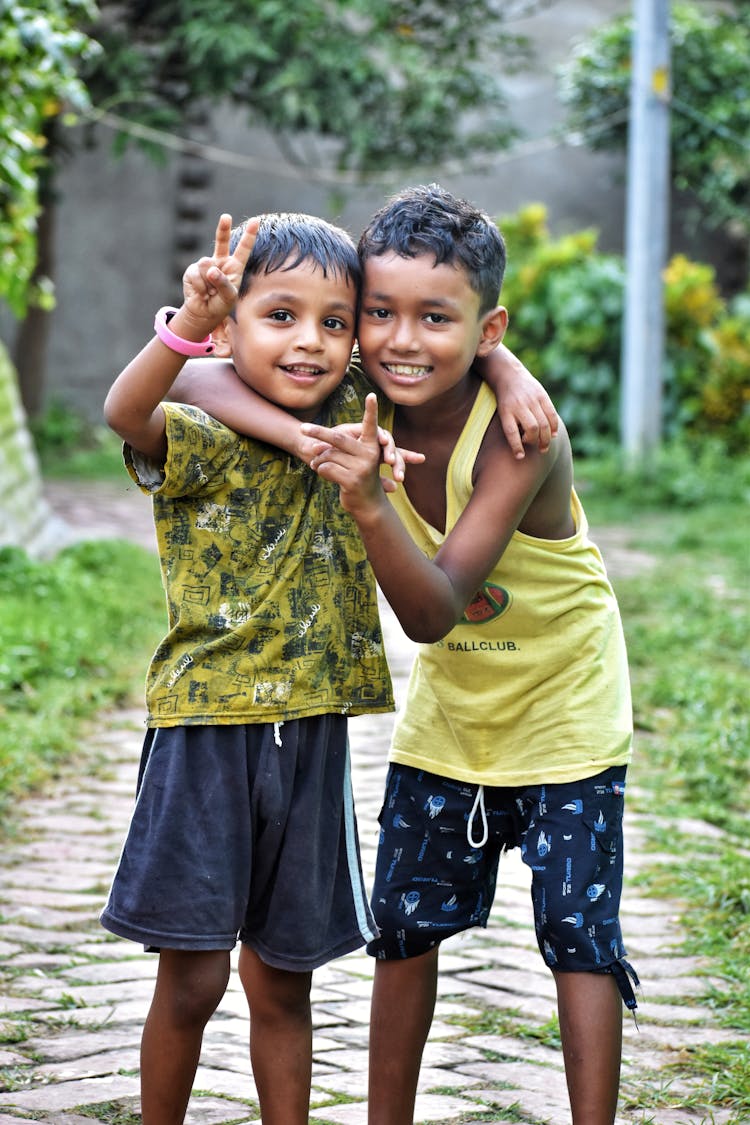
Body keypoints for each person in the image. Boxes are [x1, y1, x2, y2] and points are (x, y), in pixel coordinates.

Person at [100, 206, 554, 1125]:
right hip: (204, 734)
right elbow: (133, 405)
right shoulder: (198, 432)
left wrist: (505, 367)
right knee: (189, 982)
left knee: (285, 984)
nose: (310, 341)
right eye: (280, 315)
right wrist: (190, 324)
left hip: (312, 737)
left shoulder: (359, 412)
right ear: (232, 326)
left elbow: (448, 350)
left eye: (335, 322)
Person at [298, 184, 638, 1125]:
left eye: (435, 319)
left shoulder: (522, 433)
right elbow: (211, 375)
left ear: (485, 329)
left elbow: (435, 611)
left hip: (566, 708)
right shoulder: (360, 393)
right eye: (380, 312)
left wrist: (370, 503)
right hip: (453, 717)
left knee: (579, 932)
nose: (403, 339)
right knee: (403, 929)